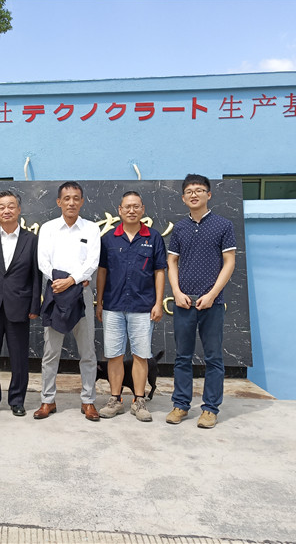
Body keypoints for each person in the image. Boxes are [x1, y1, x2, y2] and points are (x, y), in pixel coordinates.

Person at [166, 174, 236, 429]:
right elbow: (172, 261)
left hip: (212, 303)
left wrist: (212, 294)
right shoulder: (180, 228)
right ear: (183, 197)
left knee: (213, 357)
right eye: (189, 191)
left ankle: (210, 409)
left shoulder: (223, 225)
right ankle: (180, 404)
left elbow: (229, 262)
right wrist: (176, 291)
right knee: (182, 357)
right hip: (184, 302)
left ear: (209, 194)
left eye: (199, 190)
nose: (194, 194)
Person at [96, 191, 167, 422]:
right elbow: (102, 272)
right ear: (119, 210)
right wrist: (99, 302)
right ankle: (115, 399)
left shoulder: (153, 237)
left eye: (136, 206)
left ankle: (139, 401)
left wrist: (158, 303)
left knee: (141, 356)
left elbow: (159, 271)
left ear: (143, 209)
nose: (131, 210)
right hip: (113, 306)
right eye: (127, 206)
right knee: (114, 356)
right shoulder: (109, 239)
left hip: (143, 307)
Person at [36, 181, 101, 421]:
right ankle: (47, 400)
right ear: (59, 202)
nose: (71, 202)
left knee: (87, 351)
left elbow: (93, 262)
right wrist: (60, 282)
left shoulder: (91, 229)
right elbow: (43, 261)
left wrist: (72, 280)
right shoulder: (48, 228)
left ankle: (88, 401)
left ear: (82, 201)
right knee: (51, 352)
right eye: (66, 198)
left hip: (82, 293)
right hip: (55, 293)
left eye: (76, 198)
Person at [0, 190, 41, 417]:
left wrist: (34, 306)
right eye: (2, 207)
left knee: (19, 358)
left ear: (19, 210)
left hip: (19, 307)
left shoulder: (31, 240)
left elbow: (36, 276)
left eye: (11, 206)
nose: (7, 210)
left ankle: (17, 400)